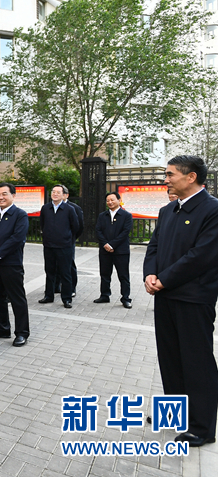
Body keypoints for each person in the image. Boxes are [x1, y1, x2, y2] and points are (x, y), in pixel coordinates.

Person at [144, 155, 218, 448]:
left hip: (193, 298)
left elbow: (201, 256)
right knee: (170, 359)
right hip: (165, 296)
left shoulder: (212, 210)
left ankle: (202, 426)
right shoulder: (168, 210)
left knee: (196, 362)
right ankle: (175, 414)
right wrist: (150, 274)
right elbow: (154, 246)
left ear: (191, 177)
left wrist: (164, 279)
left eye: (170, 174)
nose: (166, 179)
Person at [0, 183, 30, 347]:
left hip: (11, 263)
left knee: (17, 298)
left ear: (13, 196)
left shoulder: (20, 215)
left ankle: (22, 333)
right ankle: (3, 328)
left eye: (4, 194)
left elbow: (17, 238)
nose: (0, 197)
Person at [39, 184, 79, 308]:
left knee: (65, 273)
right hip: (49, 246)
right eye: (53, 191)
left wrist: (68, 240)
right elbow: (42, 224)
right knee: (49, 271)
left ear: (63, 195)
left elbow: (76, 227)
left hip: (64, 246)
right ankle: (48, 296)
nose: (55, 194)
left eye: (58, 192)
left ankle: (66, 299)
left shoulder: (69, 209)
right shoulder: (45, 208)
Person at [94, 192, 133, 308]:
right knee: (105, 274)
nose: (110, 202)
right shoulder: (102, 216)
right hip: (104, 251)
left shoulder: (126, 215)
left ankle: (125, 298)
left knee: (123, 275)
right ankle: (105, 295)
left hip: (121, 251)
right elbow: (98, 231)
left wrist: (112, 245)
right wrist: (105, 244)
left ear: (119, 200)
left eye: (112, 200)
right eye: (107, 200)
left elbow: (125, 232)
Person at [62, 186, 84, 298]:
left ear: (66, 195)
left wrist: (72, 238)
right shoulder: (50, 207)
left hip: (68, 241)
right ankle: (57, 287)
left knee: (69, 265)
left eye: (59, 193)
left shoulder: (74, 207)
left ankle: (72, 288)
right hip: (54, 242)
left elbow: (79, 226)